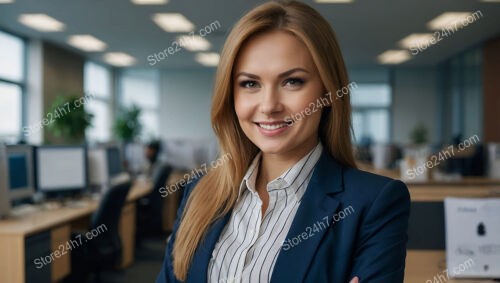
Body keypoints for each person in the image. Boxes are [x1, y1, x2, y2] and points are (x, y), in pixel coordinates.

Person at [157, 1, 410, 282]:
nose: (269, 106)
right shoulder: (199, 192)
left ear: (327, 89)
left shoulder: (372, 203)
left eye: (292, 82)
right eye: (250, 84)